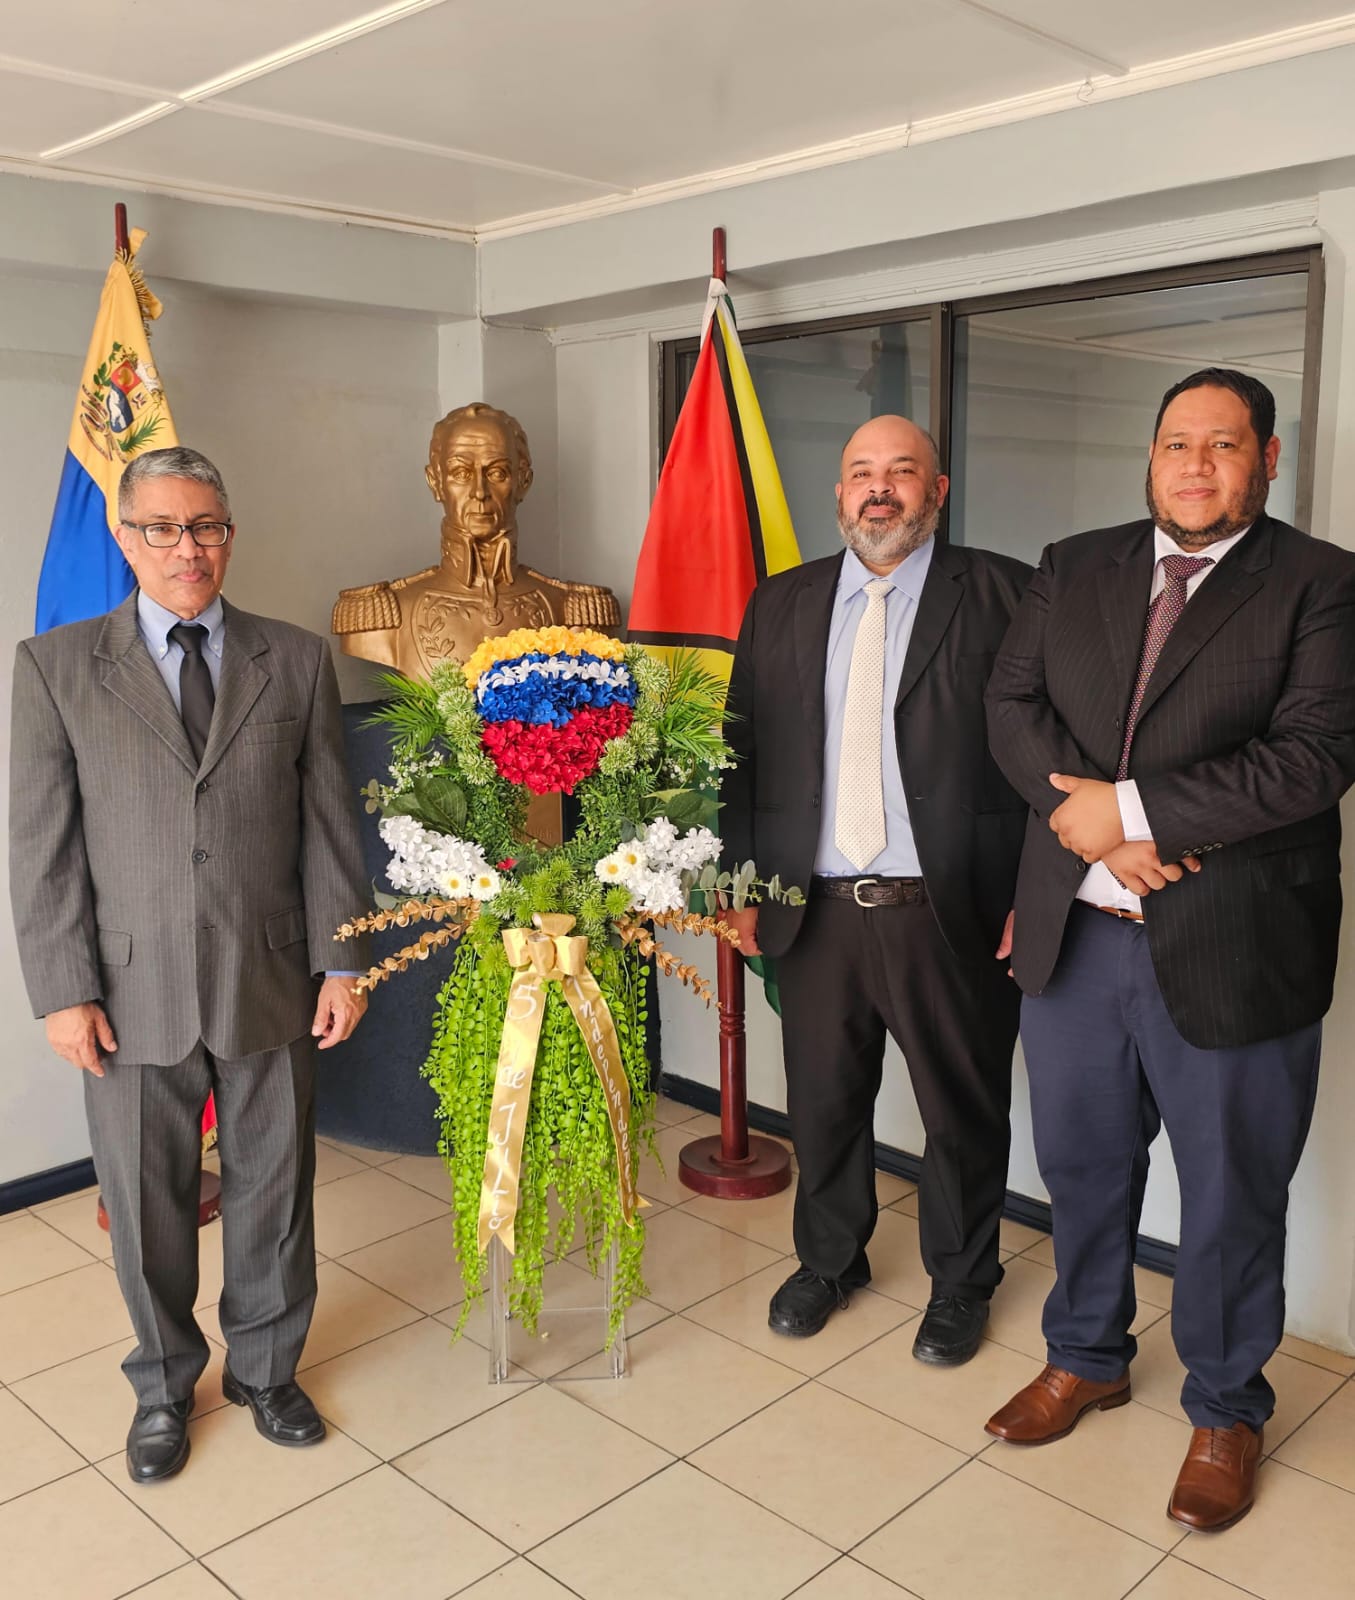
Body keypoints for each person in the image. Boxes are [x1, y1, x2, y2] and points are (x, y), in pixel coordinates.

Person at [984, 368, 1355, 1531]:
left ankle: (1223, 1405)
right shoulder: (1071, 560)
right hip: (1078, 936)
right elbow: (1011, 705)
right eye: (1176, 444)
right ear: (1148, 456)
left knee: (1231, 1192)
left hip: (1234, 945)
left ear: (1266, 460)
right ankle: (1085, 1353)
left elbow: (1308, 759)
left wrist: (1129, 811)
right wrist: (1080, 822)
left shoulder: (1321, 585)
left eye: (1223, 446)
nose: (1195, 465)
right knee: (1083, 1167)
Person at [9, 447, 371, 1484]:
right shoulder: (57, 666)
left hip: (271, 973)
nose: (186, 547)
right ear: (125, 539)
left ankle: (265, 1369)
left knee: (274, 1189)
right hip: (126, 992)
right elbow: (42, 844)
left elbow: (327, 830)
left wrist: (342, 962)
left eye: (205, 525)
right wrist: (63, 989)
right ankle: (164, 1386)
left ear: (229, 534)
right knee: (147, 1200)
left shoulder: (293, 659)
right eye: (162, 527)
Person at [721, 414, 1031, 1364]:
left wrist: (1034, 893)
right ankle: (828, 1260)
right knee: (821, 1102)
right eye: (861, 472)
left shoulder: (1009, 594)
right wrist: (733, 882)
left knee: (959, 1110)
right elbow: (743, 756)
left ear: (937, 491)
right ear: (839, 494)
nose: (880, 488)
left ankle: (962, 1279)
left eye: (903, 471)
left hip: (950, 908)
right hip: (809, 906)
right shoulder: (780, 602)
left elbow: (1044, 758)